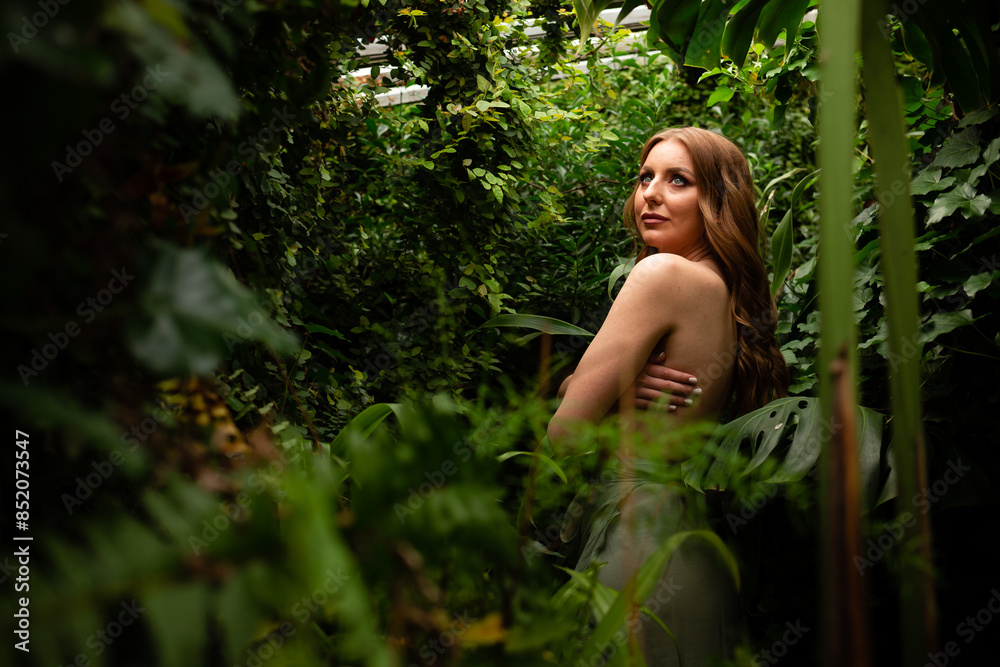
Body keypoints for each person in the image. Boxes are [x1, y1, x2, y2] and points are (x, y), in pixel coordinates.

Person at [548, 127, 788, 666]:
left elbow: (565, 433)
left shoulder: (660, 275)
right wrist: (613, 389)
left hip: (639, 544)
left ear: (718, 201)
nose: (650, 194)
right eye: (645, 177)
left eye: (678, 180)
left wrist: (585, 391)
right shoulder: (722, 289)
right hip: (692, 540)